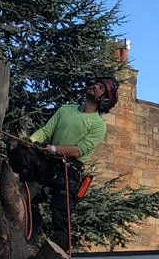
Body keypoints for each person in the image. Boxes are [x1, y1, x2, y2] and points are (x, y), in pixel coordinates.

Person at [8, 79, 119, 249]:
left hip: (68, 170)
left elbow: (78, 150)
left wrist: (52, 148)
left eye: (101, 88)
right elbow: (46, 131)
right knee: (20, 156)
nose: (95, 86)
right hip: (48, 161)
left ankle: (53, 255)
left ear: (105, 99)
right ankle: (25, 202)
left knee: (62, 216)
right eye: (97, 84)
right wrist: (30, 140)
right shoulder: (67, 110)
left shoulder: (98, 126)